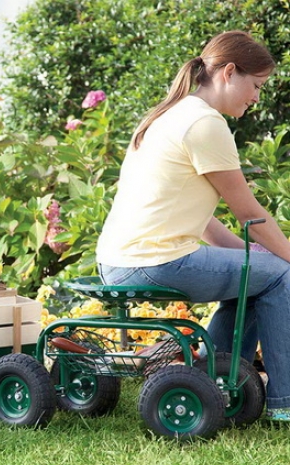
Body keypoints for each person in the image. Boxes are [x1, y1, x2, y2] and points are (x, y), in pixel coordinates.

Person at [96, 30, 290, 421]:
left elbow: (206, 224)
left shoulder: (173, 114)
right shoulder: (205, 124)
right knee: (280, 276)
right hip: (154, 260)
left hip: (122, 258)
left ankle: (210, 382)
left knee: (262, 273)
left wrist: (261, 255)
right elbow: (249, 213)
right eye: (255, 86)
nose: (256, 97)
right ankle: (284, 404)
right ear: (229, 73)